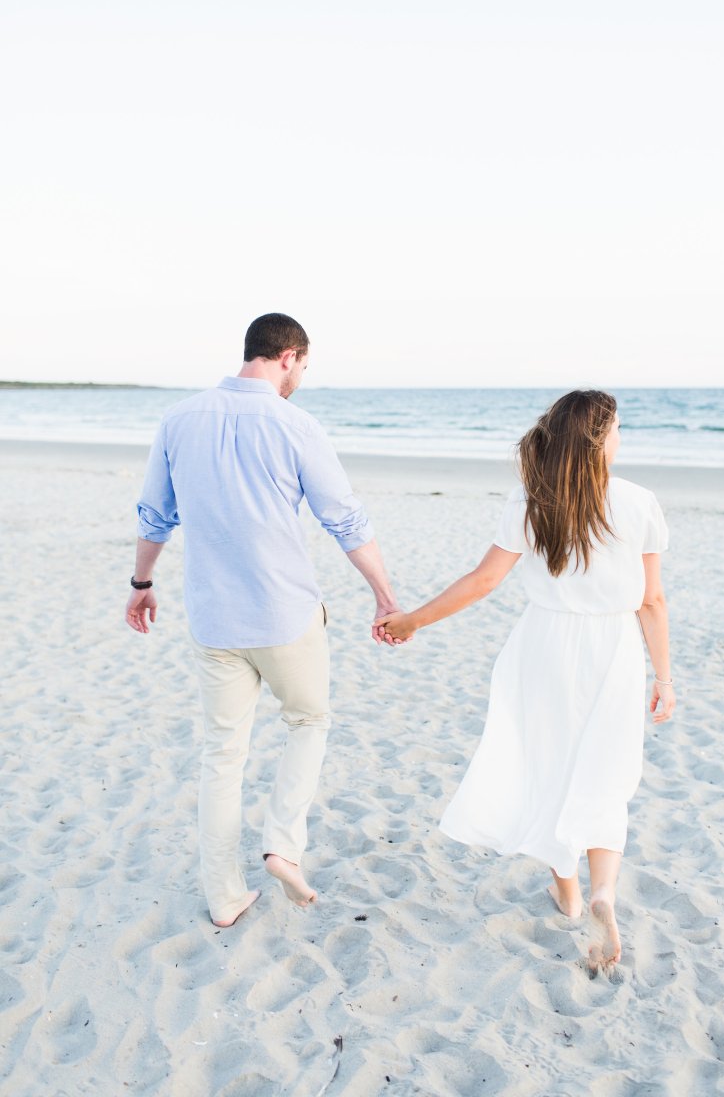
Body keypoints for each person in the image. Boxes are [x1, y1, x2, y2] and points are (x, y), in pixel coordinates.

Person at [376, 390, 675, 968]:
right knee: (606, 773)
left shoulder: (531, 499)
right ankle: (603, 893)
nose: (621, 438)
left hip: (543, 645)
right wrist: (664, 677)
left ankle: (566, 896)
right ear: (598, 440)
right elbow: (654, 601)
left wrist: (413, 620)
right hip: (613, 648)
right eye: (616, 429)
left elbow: (484, 580)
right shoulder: (640, 502)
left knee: (551, 766)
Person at [125, 313, 401, 928]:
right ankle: (283, 846)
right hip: (284, 614)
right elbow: (345, 520)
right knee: (308, 720)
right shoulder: (295, 424)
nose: (302, 375)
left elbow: (154, 514)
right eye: (304, 365)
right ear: (290, 355)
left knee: (223, 753)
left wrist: (142, 585)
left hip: (214, 618)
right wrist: (384, 595)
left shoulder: (178, 419)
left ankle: (224, 897)